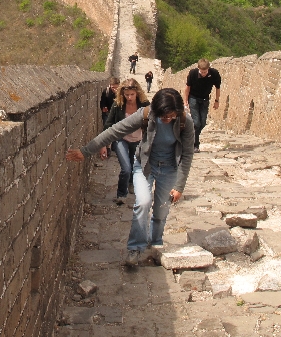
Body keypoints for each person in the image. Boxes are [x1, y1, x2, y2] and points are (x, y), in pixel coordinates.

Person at [67, 88, 195, 266]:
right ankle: (135, 248)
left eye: (171, 116)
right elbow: (115, 131)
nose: (168, 119)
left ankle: (156, 243)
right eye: (164, 117)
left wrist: (179, 186)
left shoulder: (185, 122)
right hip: (145, 165)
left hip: (169, 169)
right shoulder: (146, 114)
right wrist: (86, 151)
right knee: (142, 203)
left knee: (161, 210)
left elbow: (187, 154)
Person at [104, 78, 150, 204]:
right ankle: (121, 194)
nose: (129, 97)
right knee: (126, 168)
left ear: (137, 93)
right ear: (122, 94)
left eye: (132, 94)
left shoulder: (145, 105)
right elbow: (108, 123)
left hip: (138, 140)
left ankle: (131, 184)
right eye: (127, 95)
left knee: (134, 166)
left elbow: (153, 122)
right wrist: (104, 145)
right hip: (121, 139)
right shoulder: (118, 105)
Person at [183, 59, 222, 153]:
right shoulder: (193, 73)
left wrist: (217, 101)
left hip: (205, 99)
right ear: (198, 69)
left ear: (208, 68)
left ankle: (191, 135)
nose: (203, 74)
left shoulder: (214, 73)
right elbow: (187, 88)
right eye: (201, 72)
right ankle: (195, 145)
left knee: (203, 123)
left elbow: (218, 88)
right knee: (196, 123)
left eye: (205, 72)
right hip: (193, 98)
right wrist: (185, 102)